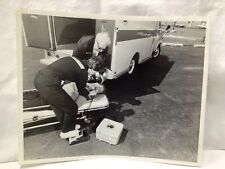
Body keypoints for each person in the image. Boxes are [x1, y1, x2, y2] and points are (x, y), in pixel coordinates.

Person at [34, 35, 95, 139]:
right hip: (49, 84)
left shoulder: (70, 59)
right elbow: (82, 91)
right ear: (87, 59)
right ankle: (66, 132)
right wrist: (89, 91)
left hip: (39, 79)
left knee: (60, 106)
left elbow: (66, 74)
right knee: (71, 108)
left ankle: (67, 126)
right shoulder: (82, 70)